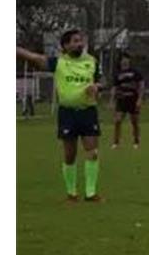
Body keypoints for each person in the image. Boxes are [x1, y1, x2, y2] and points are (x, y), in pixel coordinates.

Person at [17, 30, 105, 203]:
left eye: (81, 41)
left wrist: (97, 86)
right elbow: (34, 58)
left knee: (92, 152)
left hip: (88, 111)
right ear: (65, 46)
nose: (79, 44)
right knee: (69, 155)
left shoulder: (92, 61)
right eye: (75, 41)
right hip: (67, 113)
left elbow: (103, 81)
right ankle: (71, 194)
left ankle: (91, 193)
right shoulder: (58, 63)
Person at [110, 53, 143, 149]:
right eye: (122, 59)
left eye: (126, 59)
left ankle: (136, 141)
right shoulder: (117, 74)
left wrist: (140, 99)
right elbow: (114, 88)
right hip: (121, 100)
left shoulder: (135, 72)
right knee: (117, 120)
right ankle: (116, 142)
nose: (124, 61)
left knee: (134, 121)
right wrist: (112, 100)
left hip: (133, 99)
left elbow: (141, 86)